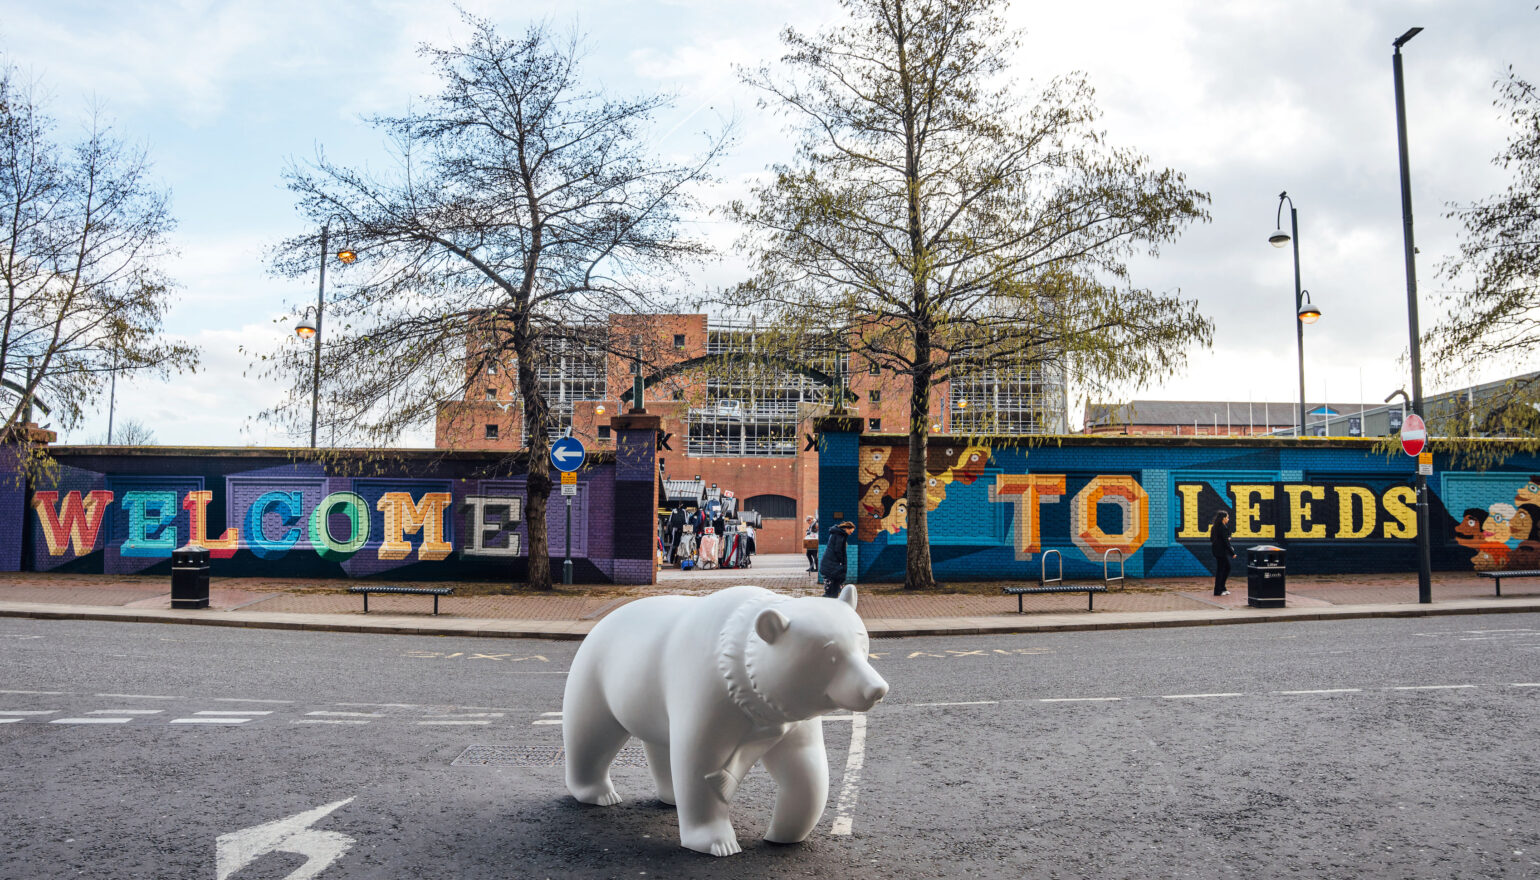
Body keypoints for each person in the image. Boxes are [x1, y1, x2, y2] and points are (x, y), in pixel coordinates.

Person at [819, 521, 856, 599]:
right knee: (834, 585)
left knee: (832, 583)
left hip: (830, 562)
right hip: (833, 563)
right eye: (850, 531)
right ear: (846, 528)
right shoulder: (840, 535)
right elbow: (838, 550)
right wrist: (841, 562)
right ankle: (831, 600)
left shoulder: (836, 534)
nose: (851, 533)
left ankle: (830, 598)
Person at [1210, 510, 1235, 596]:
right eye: (1227, 517)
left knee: (1225, 568)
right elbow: (1226, 542)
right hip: (1222, 552)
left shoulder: (1214, 527)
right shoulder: (1223, 528)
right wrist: (1233, 553)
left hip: (1217, 551)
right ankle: (1218, 591)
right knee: (1222, 570)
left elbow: (1211, 539)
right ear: (1223, 518)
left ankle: (1222, 588)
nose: (1228, 519)